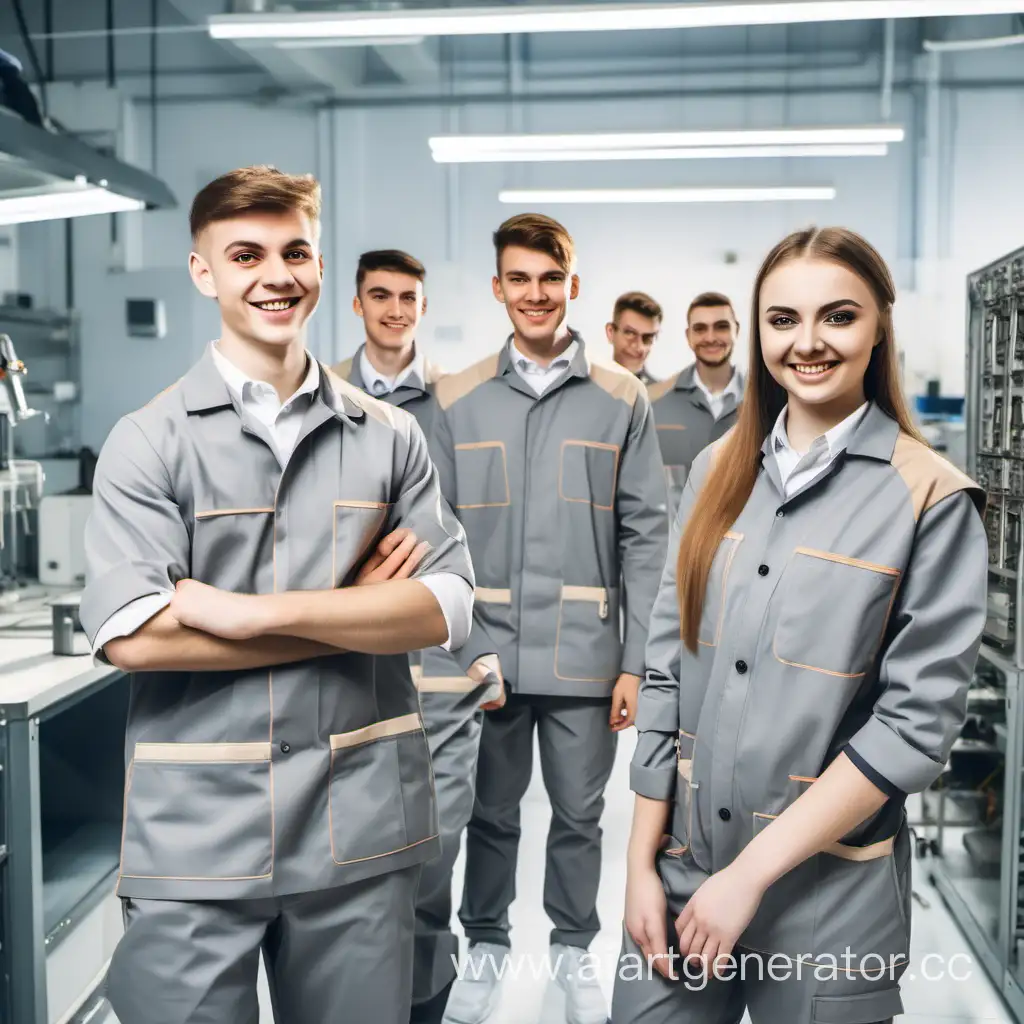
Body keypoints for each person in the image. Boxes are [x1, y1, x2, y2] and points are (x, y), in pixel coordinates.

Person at [79, 166, 476, 1024]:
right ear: (203, 271)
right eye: (246, 253)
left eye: (296, 251)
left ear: (321, 265)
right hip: (196, 838)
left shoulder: (391, 436)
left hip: (360, 830)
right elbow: (134, 637)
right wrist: (356, 614)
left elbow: (446, 607)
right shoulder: (147, 442)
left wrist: (253, 612)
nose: (276, 275)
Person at [612, 226, 988, 1024]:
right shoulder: (717, 470)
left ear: (879, 325)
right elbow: (667, 672)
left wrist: (748, 877)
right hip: (683, 866)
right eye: (782, 320)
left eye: (838, 317)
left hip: (830, 893)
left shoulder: (932, 500)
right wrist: (639, 864)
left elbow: (914, 728)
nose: (807, 343)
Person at [433, 213, 668, 1024]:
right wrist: (460, 649)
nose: (535, 295)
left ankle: (572, 951)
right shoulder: (454, 399)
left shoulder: (620, 398)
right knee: (487, 815)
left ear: (574, 285)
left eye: (550, 278)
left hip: (586, 657)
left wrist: (636, 661)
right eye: (519, 279)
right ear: (498, 288)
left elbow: (646, 537)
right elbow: (435, 541)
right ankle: (486, 946)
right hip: (486, 654)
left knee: (579, 817)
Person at [333, 248, 499, 1024]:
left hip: (440, 664)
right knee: (348, 872)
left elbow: (477, 531)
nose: (395, 310)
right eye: (380, 296)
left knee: (432, 861)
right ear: (356, 302)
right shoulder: (318, 397)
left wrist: (478, 644)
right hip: (337, 664)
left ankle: (423, 1006)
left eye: (408, 298)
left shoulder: (458, 403)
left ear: (423, 308)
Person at [647, 291, 744, 514]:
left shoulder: (768, 404)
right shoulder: (655, 404)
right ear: (688, 335)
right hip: (675, 544)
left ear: (736, 330)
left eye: (721, 326)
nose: (710, 337)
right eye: (700, 329)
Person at [606, 290, 662, 385]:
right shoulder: (584, 390)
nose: (639, 346)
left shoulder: (664, 396)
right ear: (610, 332)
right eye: (630, 333)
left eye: (648, 337)